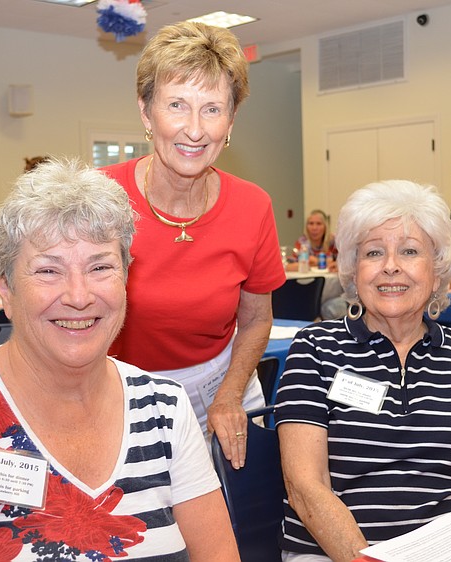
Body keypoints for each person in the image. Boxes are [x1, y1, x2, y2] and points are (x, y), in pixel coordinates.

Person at [0, 158, 240, 561]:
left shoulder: (165, 408)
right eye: (48, 271)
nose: (78, 295)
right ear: (7, 291)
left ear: (125, 279)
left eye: (100, 266)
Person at [275, 180, 451, 562]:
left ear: (438, 270)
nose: (391, 266)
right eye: (374, 252)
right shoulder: (315, 349)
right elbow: (306, 487)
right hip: (334, 551)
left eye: (409, 251)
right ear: (355, 270)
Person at [101, 21, 285, 469]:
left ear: (231, 121)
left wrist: (229, 395)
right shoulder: (100, 199)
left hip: (223, 387)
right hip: (121, 392)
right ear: (147, 113)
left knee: (237, 527)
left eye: (212, 109)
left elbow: (258, 320)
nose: (195, 129)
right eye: (177, 105)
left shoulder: (253, 205)